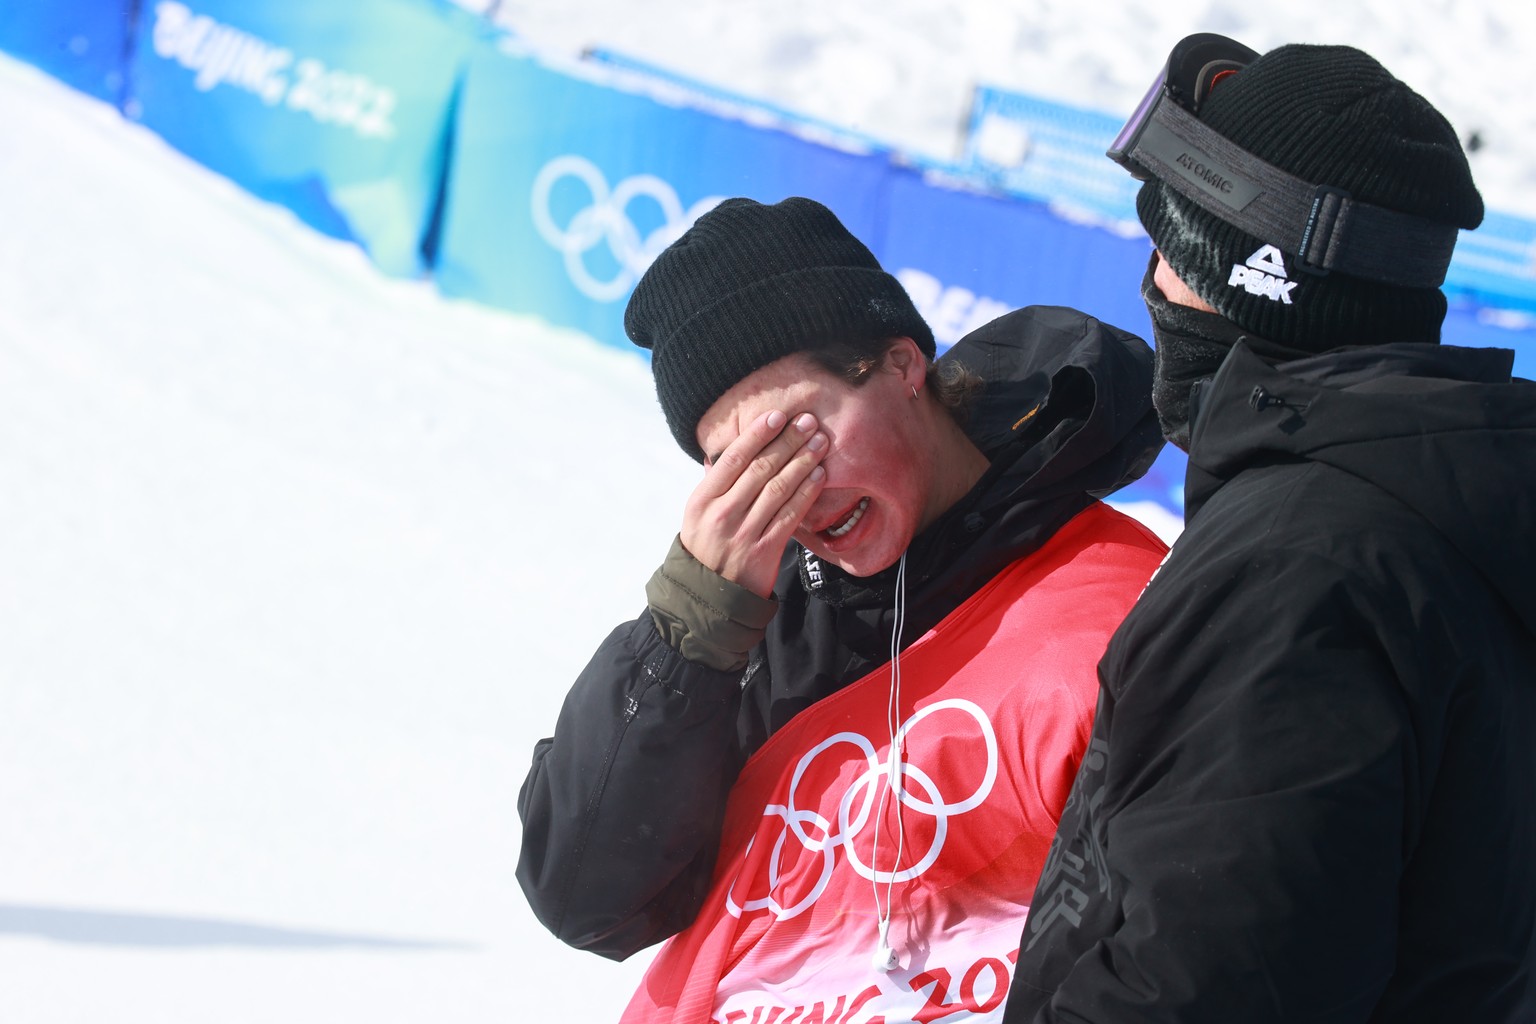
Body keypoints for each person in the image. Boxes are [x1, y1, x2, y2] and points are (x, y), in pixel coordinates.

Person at [516, 196, 1169, 1023]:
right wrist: (690, 626)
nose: (799, 494)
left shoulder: (1111, 594)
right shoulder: (751, 619)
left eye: (800, 435)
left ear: (901, 366)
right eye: (742, 466)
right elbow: (589, 900)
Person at [1006, 36, 1536, 1023]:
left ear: (1251, 282)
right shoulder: (1434, 507)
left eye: (1169, 250)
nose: (1151, 281)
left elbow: (1208, 983)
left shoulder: (1302, 571)